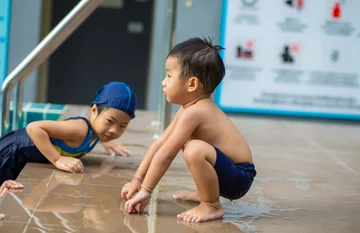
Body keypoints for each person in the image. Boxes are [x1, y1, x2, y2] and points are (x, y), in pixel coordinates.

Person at [121, 37, 256, 222]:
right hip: (227, 172)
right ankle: (207, 192)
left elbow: (167, 154)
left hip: (239, 177)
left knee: (194, 149)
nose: (163, 82)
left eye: (169, 76)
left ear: (192, 84)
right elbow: (160, 144)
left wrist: (146, 190)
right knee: (190, 144)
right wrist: (137, 180)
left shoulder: (197, 111)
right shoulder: (188, 109)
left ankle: (211, 205)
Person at [0, 81, 137, 185]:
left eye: (122, 125)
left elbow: (101, 128)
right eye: (109, 121)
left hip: (16, 151)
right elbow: (34, 127)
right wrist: (57, 159)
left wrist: (106, 140)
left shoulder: (95, 132)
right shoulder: (79, 130)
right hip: (12, 151)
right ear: (94, 110)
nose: (114, 130)